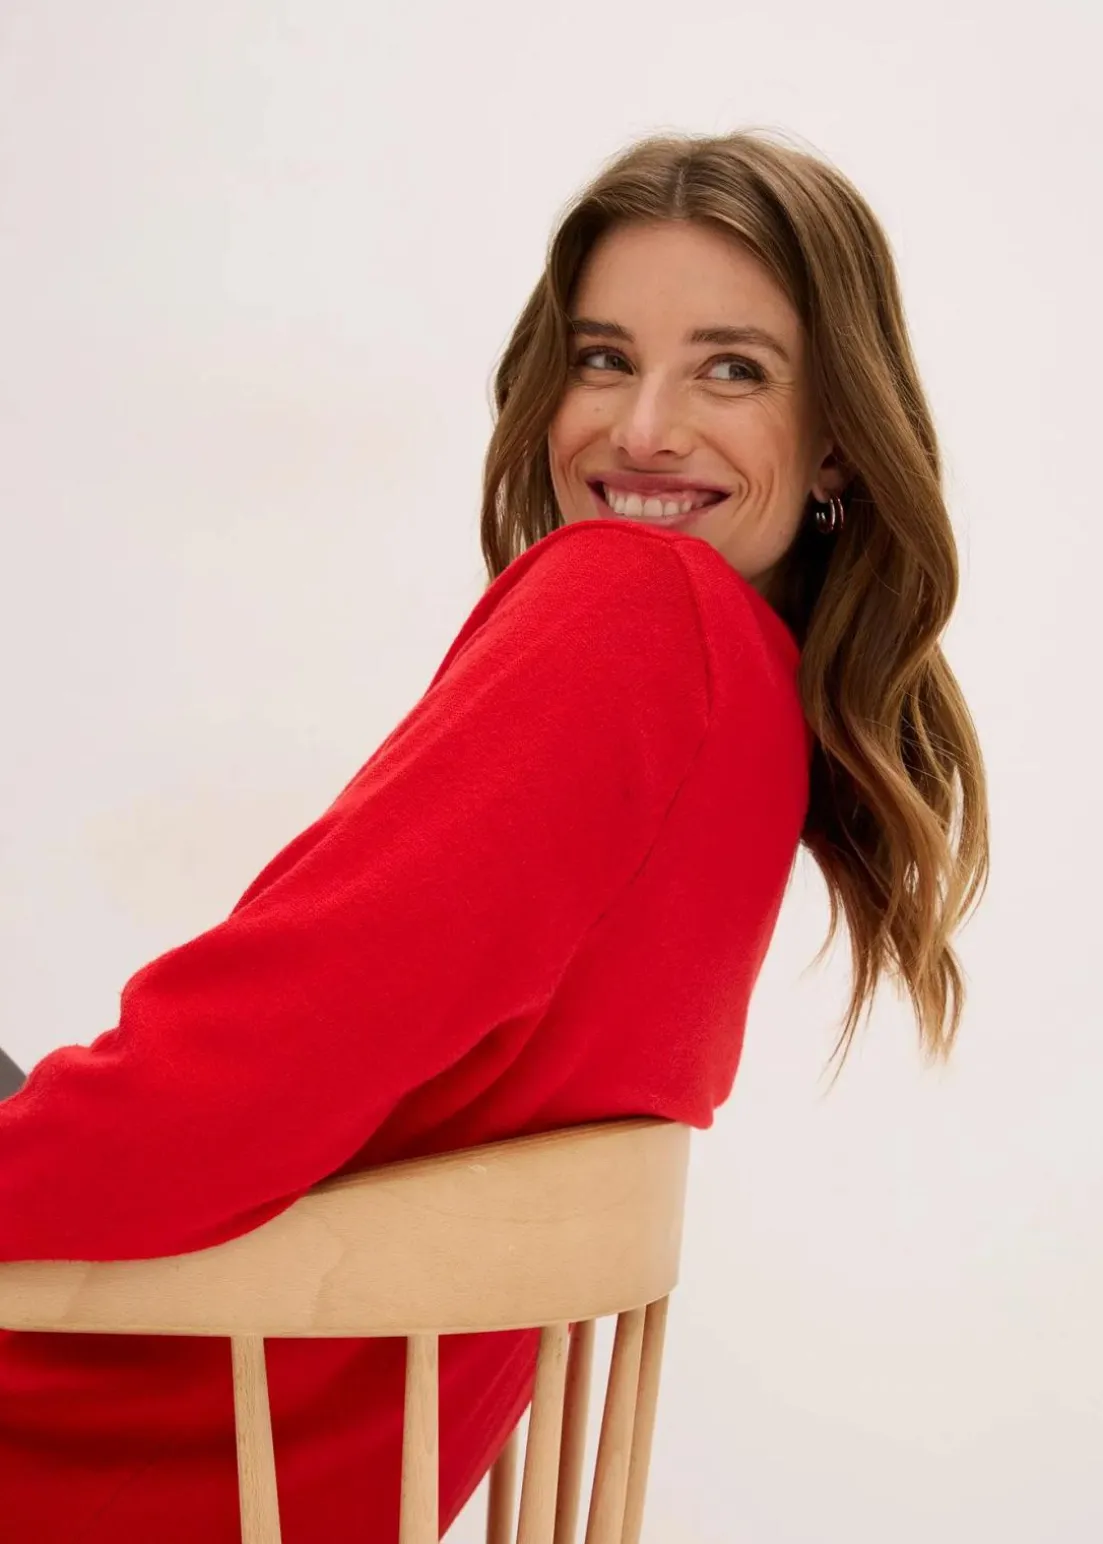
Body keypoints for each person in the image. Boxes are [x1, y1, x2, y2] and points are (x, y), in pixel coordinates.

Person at [0, 128, 990, 1542]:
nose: (643, 429)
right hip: (275, 1443)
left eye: (731, 369)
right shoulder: (765, 715)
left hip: (125, 1432)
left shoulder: (636, 608)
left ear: (836, 430)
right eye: (603, 359)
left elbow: (252, 1062)